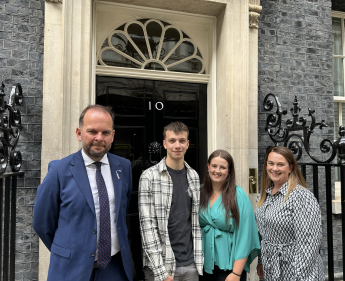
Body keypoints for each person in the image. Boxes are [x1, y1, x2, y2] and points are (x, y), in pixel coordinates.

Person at [33, 105, 133, 281]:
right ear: (79, 133)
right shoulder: (59, 170)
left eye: (105, 132)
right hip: (70, 270)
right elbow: (42, 223)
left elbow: (122, 210)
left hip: (114, 269)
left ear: (113, 136)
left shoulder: (123, 167)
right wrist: (67, 252)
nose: (99, 138)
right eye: (92, 131)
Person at [138, 121, 203, 281]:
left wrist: (197, 261)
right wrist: (162, 273)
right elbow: (147, 227)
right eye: (172, 140)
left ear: (188, 144)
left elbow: (194, 220)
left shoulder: (193, 176)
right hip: (161, 266)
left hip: (190, 263)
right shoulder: (149, 177)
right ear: (164, 144)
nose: (177, 145)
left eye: (182, 141)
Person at [255, 146, 324, 280]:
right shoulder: (263, 195)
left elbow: (309, 244)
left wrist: (298, 275)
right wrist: (261, 261)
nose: (274, 168)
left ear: (290, 168)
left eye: (280, 164)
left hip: (295, 270)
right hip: (271, 269)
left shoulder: (301, 197)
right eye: (271, 163)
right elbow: (263, 235)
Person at [199, 149, 260, 281]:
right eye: (214, 166)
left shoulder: (238, 195)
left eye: (223, 167)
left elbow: (245, 235)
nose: (217, 170)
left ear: (229, 171)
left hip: (229, 270)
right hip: (202, 267)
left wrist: (236, 273)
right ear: (208, 167)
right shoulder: (199, 192)